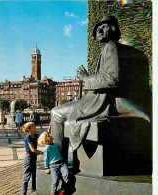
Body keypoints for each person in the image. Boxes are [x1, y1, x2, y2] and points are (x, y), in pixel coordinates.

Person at [51, 15, 151, 151]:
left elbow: (112, 79)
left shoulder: (111, 47)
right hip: (126, 100)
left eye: (104, 27)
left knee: (56, 113)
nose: (99, 31)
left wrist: (85, 79)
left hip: (106, 102)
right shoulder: (118, 50)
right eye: (97, 29)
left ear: (113, 29)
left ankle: (56, 161)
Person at [38, 124, 69, 195]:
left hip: (62, 163)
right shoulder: (47, 148)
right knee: (55, 180)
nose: (50, 135)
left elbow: (47, 132)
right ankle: (53, 192)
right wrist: (46, 167)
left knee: (66, 175)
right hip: (53, 165)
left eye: (49, 135)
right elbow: (46, 158)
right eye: (48, 136)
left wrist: (50, 127)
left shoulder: (56, 145)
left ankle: (62, 190)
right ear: (46, 141)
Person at [21, 122, 43, 195]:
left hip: (33, 157)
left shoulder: (35, 135)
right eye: (33, 126)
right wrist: (41, 153)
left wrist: (50, 127)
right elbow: (32, 149)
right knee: (26, 175)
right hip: (29, 157)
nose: (35, 127)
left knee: (34, 174)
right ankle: (23, 193)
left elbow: (44, 135)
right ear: (29, 129)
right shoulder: (28, 137)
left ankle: (33, 191)